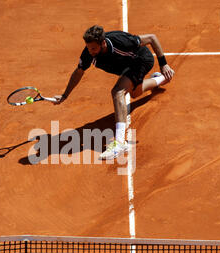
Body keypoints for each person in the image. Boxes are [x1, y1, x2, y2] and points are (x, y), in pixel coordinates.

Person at [53, 25, 175, 160]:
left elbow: (152, 38)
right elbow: (79, 72)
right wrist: (65, 95)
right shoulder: (88, 53)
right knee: (134, 93)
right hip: (126, 67)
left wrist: (163, 64)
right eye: (88, 48)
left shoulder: (121, 41)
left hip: (141, 60)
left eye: (93, 48)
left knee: (117, 92)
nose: (90, 51)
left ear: (103, 43)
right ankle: (162, 78)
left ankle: (120, 143)